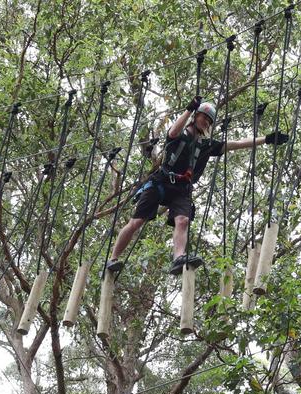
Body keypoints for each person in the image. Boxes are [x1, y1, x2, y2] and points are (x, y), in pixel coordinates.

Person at [105, 98, 290, 277]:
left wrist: (265, 139)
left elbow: (237, 144)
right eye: (204, 117)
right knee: (136, 222)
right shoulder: (179, 136)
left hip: (182, 189)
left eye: (209, 121)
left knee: (183, 220)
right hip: (161, 182)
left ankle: (179, 258)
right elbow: (172, 131)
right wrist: (189, 109)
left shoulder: (207, 145)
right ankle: (113, 258)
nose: (206, 122)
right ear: (196, 116)